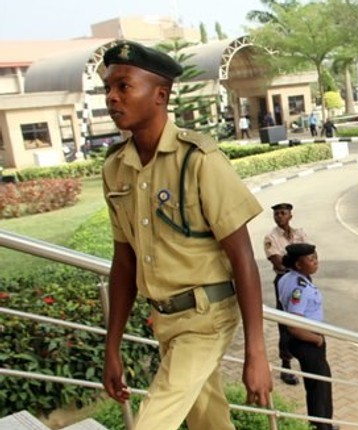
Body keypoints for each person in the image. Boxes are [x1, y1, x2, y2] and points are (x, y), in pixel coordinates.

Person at [100, 41, 272, 430]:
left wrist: (256, 353)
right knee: (209, 422)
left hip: (207, 318)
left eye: (123, 86)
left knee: (150, 424)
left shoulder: (199, 161)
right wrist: (111, 348)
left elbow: (243, 258)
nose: (111, 97)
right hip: (165, 321)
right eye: (107, 88)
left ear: (160, 95)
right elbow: (123, 262)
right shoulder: (115, 169)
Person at [277, 243, 333, 430]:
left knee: (321, 383)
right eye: (311, 259)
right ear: (298, 264)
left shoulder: (288, 277)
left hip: (306, 340)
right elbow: (294, 326)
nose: (316, 262)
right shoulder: (298, 288)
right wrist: (317, 339)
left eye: (316, 257)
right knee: (319, 388)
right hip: (307, 341)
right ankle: (321, 426)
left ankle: (324, 424)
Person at [264, 202, 309, 385]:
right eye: (276, 214)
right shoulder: (271, 237)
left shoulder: (300, 233)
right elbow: (277, 262)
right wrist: (300, 263)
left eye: (283, 213)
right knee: (285, 324)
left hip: (303, 282)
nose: (279, 216)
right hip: (284, 282)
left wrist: (298, 263)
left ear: (290, 215)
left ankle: (305, 358)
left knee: (305, 319)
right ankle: (286, 366)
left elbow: (310, 257)